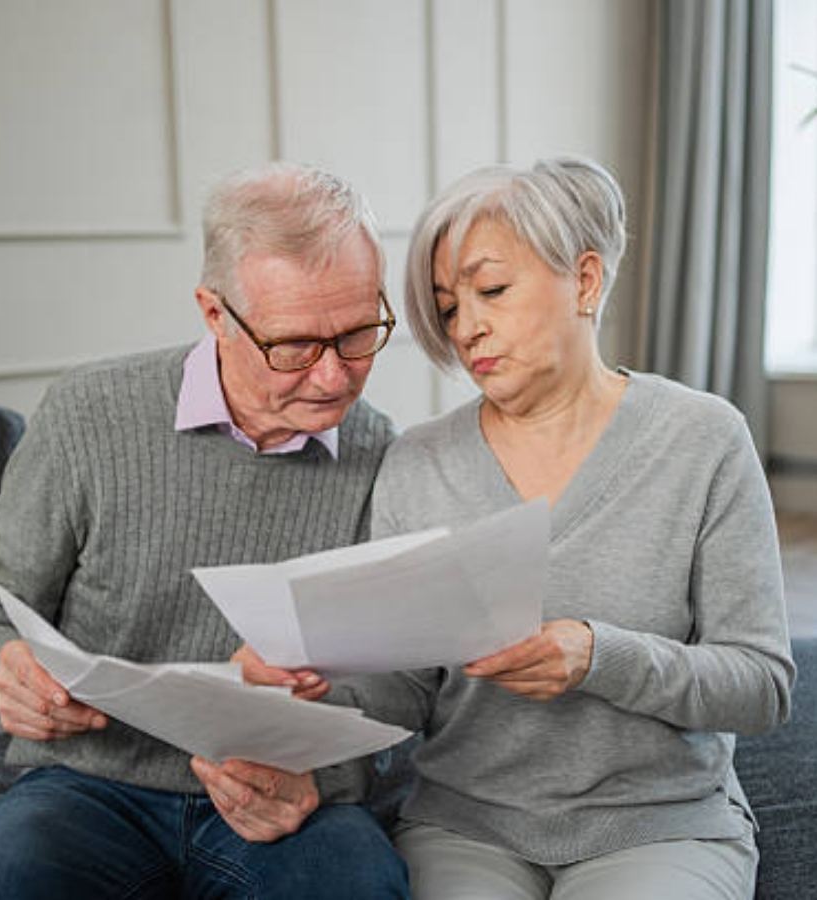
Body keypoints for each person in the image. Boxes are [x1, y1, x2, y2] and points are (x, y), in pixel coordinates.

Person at [239, 157, 795, 899]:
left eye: (492, 290)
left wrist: (600, 656)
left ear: (586, 281)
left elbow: (762, 686)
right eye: (446, 306)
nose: (467, 328)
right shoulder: (418, 463)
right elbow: (401, 694)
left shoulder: (703, 439)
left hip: (661, 826)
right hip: (467, 828)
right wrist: (313, 688)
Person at [0, 163, 409, 899]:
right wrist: (5, 676)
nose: (335, 377)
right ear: (214, 314)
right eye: (295, 347)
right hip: (89, 788)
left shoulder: (384, 457)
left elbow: (398, 688)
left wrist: (324, 776)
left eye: (358, 334)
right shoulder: (88, 414)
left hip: (284, 800)